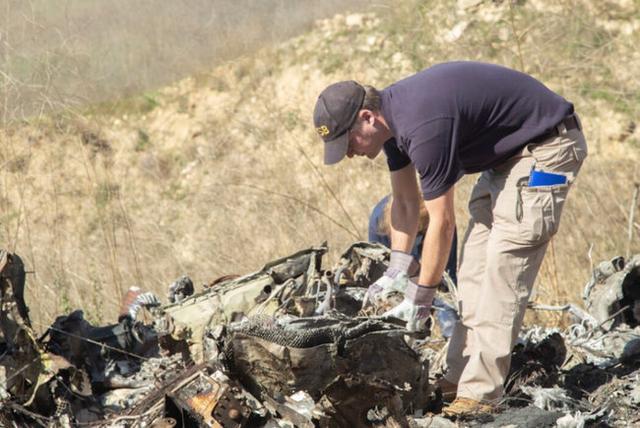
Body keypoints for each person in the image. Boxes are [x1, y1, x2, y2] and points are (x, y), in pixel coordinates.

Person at [312, 61, 587, 415]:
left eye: (347, 141)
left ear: (367, 117)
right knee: (472, 272)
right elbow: (407, 203)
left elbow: (442, 223)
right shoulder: (391, 126)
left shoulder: (422, 126)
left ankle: (481, 394)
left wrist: (421, 297)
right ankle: (459, 377)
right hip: (506, 161)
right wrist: (397, 269)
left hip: (548, 149)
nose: (349, 153)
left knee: (503, 271)